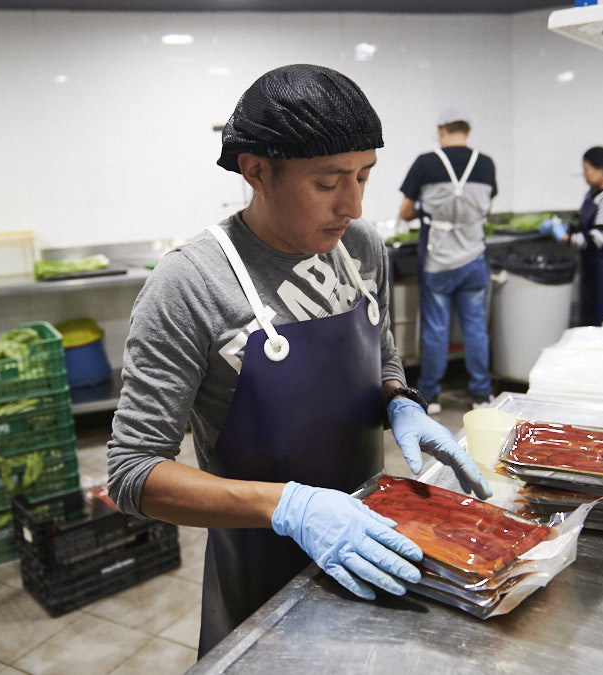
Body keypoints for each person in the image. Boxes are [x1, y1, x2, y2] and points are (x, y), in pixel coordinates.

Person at [105, 65, 492, 657]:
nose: (353, 203)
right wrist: (290, 507)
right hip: (260, 572)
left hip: (375, 545)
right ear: (255, 171)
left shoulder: (360, 247)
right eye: (328, 181)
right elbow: (133, 473)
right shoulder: (191, 284)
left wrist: (400, 401)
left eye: (365, 176)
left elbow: (380, 351)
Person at [397, 110, 497, 413]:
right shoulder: (486, 163)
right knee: (476, 328)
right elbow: (488, 210)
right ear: (467, 131)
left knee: (436, 330)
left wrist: (429, 213)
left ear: (441, 130)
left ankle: (431, 396)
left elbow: (405, 211)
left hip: (438, 261)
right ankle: (481, 395)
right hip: (474, 259)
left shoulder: (426, 162)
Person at [541, 146, 603, 326]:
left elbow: (597, 239)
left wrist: (564, 238)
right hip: (591, 266)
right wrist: (563, 227)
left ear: (601, 169)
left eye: (587, 170)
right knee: (590, 317)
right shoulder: (593, 193)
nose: (585, 175)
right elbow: (582, 225)